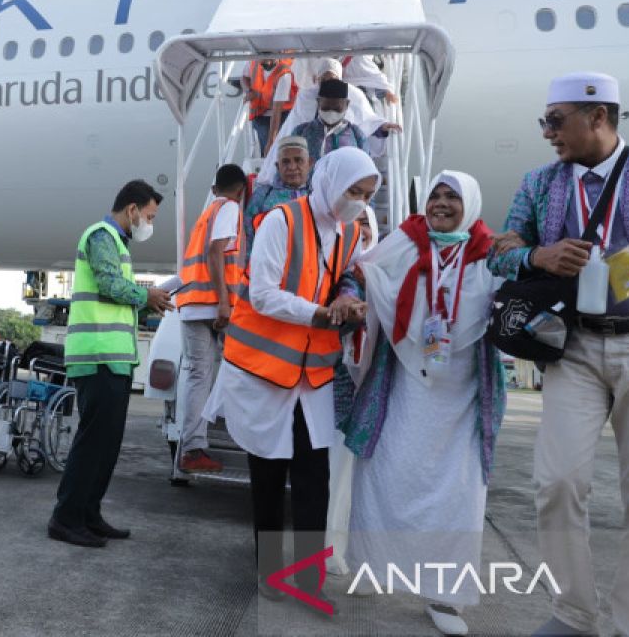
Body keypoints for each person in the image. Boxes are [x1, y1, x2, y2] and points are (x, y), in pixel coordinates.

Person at [488, 72, 629, 637]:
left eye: (555, 119)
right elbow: (500, 251)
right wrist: (538, 257)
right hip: (574, 349)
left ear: (598, 117)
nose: (547, 133)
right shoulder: (540, 183)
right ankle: (573, 612)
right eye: (544, 121)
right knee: (558, 481)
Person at [336, 172, 507, 636]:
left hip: (463, 397)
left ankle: (444, 596)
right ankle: (374, 564)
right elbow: (360, 272)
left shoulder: (489, 251)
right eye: (436, 195)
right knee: (388, 475)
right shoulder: (405, 241)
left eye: (453, 197)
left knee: (458, 494)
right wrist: (353, 298)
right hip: (403, 389)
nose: (442, 203)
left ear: (469, 204)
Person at [203, 147, 378, 598]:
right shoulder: (282, 220)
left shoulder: (350, 230)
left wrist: (347, 298)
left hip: (312, 374)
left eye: (366, 194)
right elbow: (261, 294)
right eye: (352, 191)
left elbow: (347, 277)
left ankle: (308, 574)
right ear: (331, 181)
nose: (358, 201)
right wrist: (321, 315)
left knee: (312, 475)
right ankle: (268, 571)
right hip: (265, 368)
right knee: (266, 471)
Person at [49, 179, 173, 548]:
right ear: (132, 210)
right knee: (93, 443)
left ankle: (89, 513)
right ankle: (66, 517)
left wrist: (144, 298)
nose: (149, 224)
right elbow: (108, 285)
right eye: (149, 216)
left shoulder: (117, 241)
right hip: (97, 356)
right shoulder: (101, 235)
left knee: (107, 445)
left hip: (114, 359)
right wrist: (146, 294)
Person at [174, 163, 247, 474]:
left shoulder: (208, 213)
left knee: (198, 376)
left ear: (215, 188)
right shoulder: (230, 209)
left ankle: (191, 447)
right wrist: (224, 302)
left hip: (192, 301)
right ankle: (194, 447)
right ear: (241, 191)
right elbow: (217, 252)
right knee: (229, 373)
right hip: (211, 304)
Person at [324, 204, 380, 578]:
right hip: (340, 386)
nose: (359, 232)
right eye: (352, 225)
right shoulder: (337, 275)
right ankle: (331, 549)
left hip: (374, 387)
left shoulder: (386, 273)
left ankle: (360, 552)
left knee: (369, 480)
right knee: (336, 474)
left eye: (365, 225)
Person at [246, 135, 313, 252]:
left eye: (298, 160)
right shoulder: (263, 195)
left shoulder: (318, 194)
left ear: (309, 163)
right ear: (278, 166)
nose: (292, 167)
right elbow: (247, 234)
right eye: (285, 162)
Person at [242, 57, 296, 156]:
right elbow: (244, 78)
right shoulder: (253, 61)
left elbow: (277, 111)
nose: (268, 63)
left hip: (283, 113)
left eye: (270, 61)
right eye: (263, 62)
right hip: (260, 113)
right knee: (266, 148)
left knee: (281, 148)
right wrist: (249, 91)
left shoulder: (284, 74)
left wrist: (271, 141)